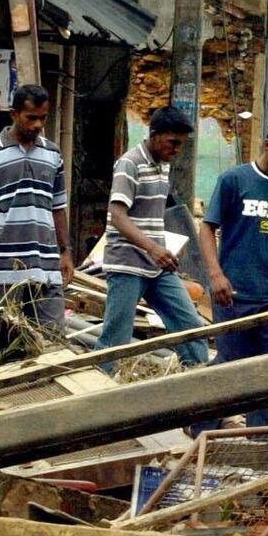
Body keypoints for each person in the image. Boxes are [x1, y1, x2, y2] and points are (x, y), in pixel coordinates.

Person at [194, 117, 268, 431]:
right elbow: (207, 228)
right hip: (233, 296)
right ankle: (201, 424)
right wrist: (216, 275)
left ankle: (267, 445)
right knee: (231, 371)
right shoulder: (234, 180)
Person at [0, 83, 73, 329]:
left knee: (53, 343)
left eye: (43, 118)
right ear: (14, 114)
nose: (38, 125)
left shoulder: (53, 154)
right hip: (1, 271)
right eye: (31, 118)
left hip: (46, 269)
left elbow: (58, 207)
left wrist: (66, 251)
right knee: (2, 343)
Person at [95, 106, 208, 367]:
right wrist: (153, 248)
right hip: (127, 264)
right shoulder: (129, 163)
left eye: (181, 144)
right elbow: (117, 215)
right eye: (172, 143)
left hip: (157, 267)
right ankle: (99, 390)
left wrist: (163, 249)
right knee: (116, 339)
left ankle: (198, 383)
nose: (176, 150)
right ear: (155, 135)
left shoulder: (162, 165)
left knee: (191, 327)